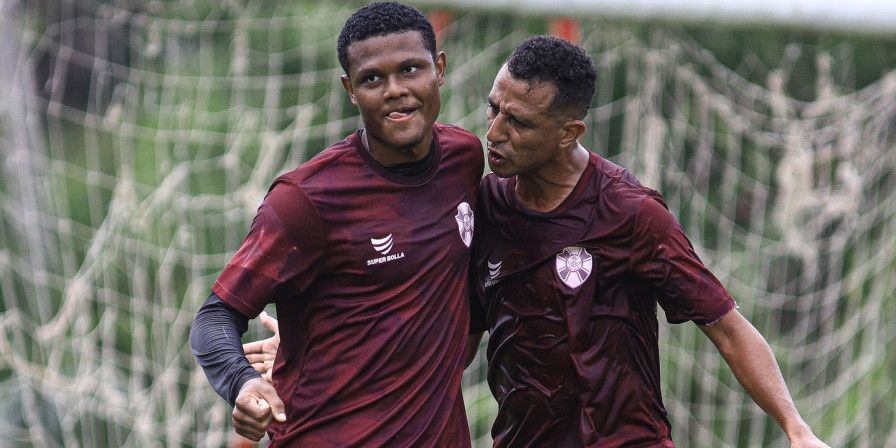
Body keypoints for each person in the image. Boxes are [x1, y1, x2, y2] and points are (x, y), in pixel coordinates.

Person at [245, 35, 830, 447]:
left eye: (519, 122)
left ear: (568, 132)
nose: (494, 133)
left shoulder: (632, 214)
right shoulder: (485, 206)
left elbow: (726, 326)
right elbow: (448, 330)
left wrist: (795, 428)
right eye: (494, 109)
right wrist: (320, 355)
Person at [189, 2, 484, 446]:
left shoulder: (465, 158)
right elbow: (215, 317)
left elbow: (468, 288)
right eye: (372, 79)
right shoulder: (304, 200)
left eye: (410, 69)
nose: (395, 90)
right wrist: (243, 382)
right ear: (351, 90)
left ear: (438, 69)